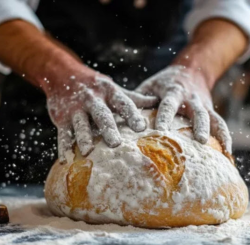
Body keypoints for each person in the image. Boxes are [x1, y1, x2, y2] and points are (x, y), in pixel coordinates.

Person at [0, 0, 249, 164]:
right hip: (39, 130)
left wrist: (195, 72)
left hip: (171, 119)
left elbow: (231, 8)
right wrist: (61, 74)